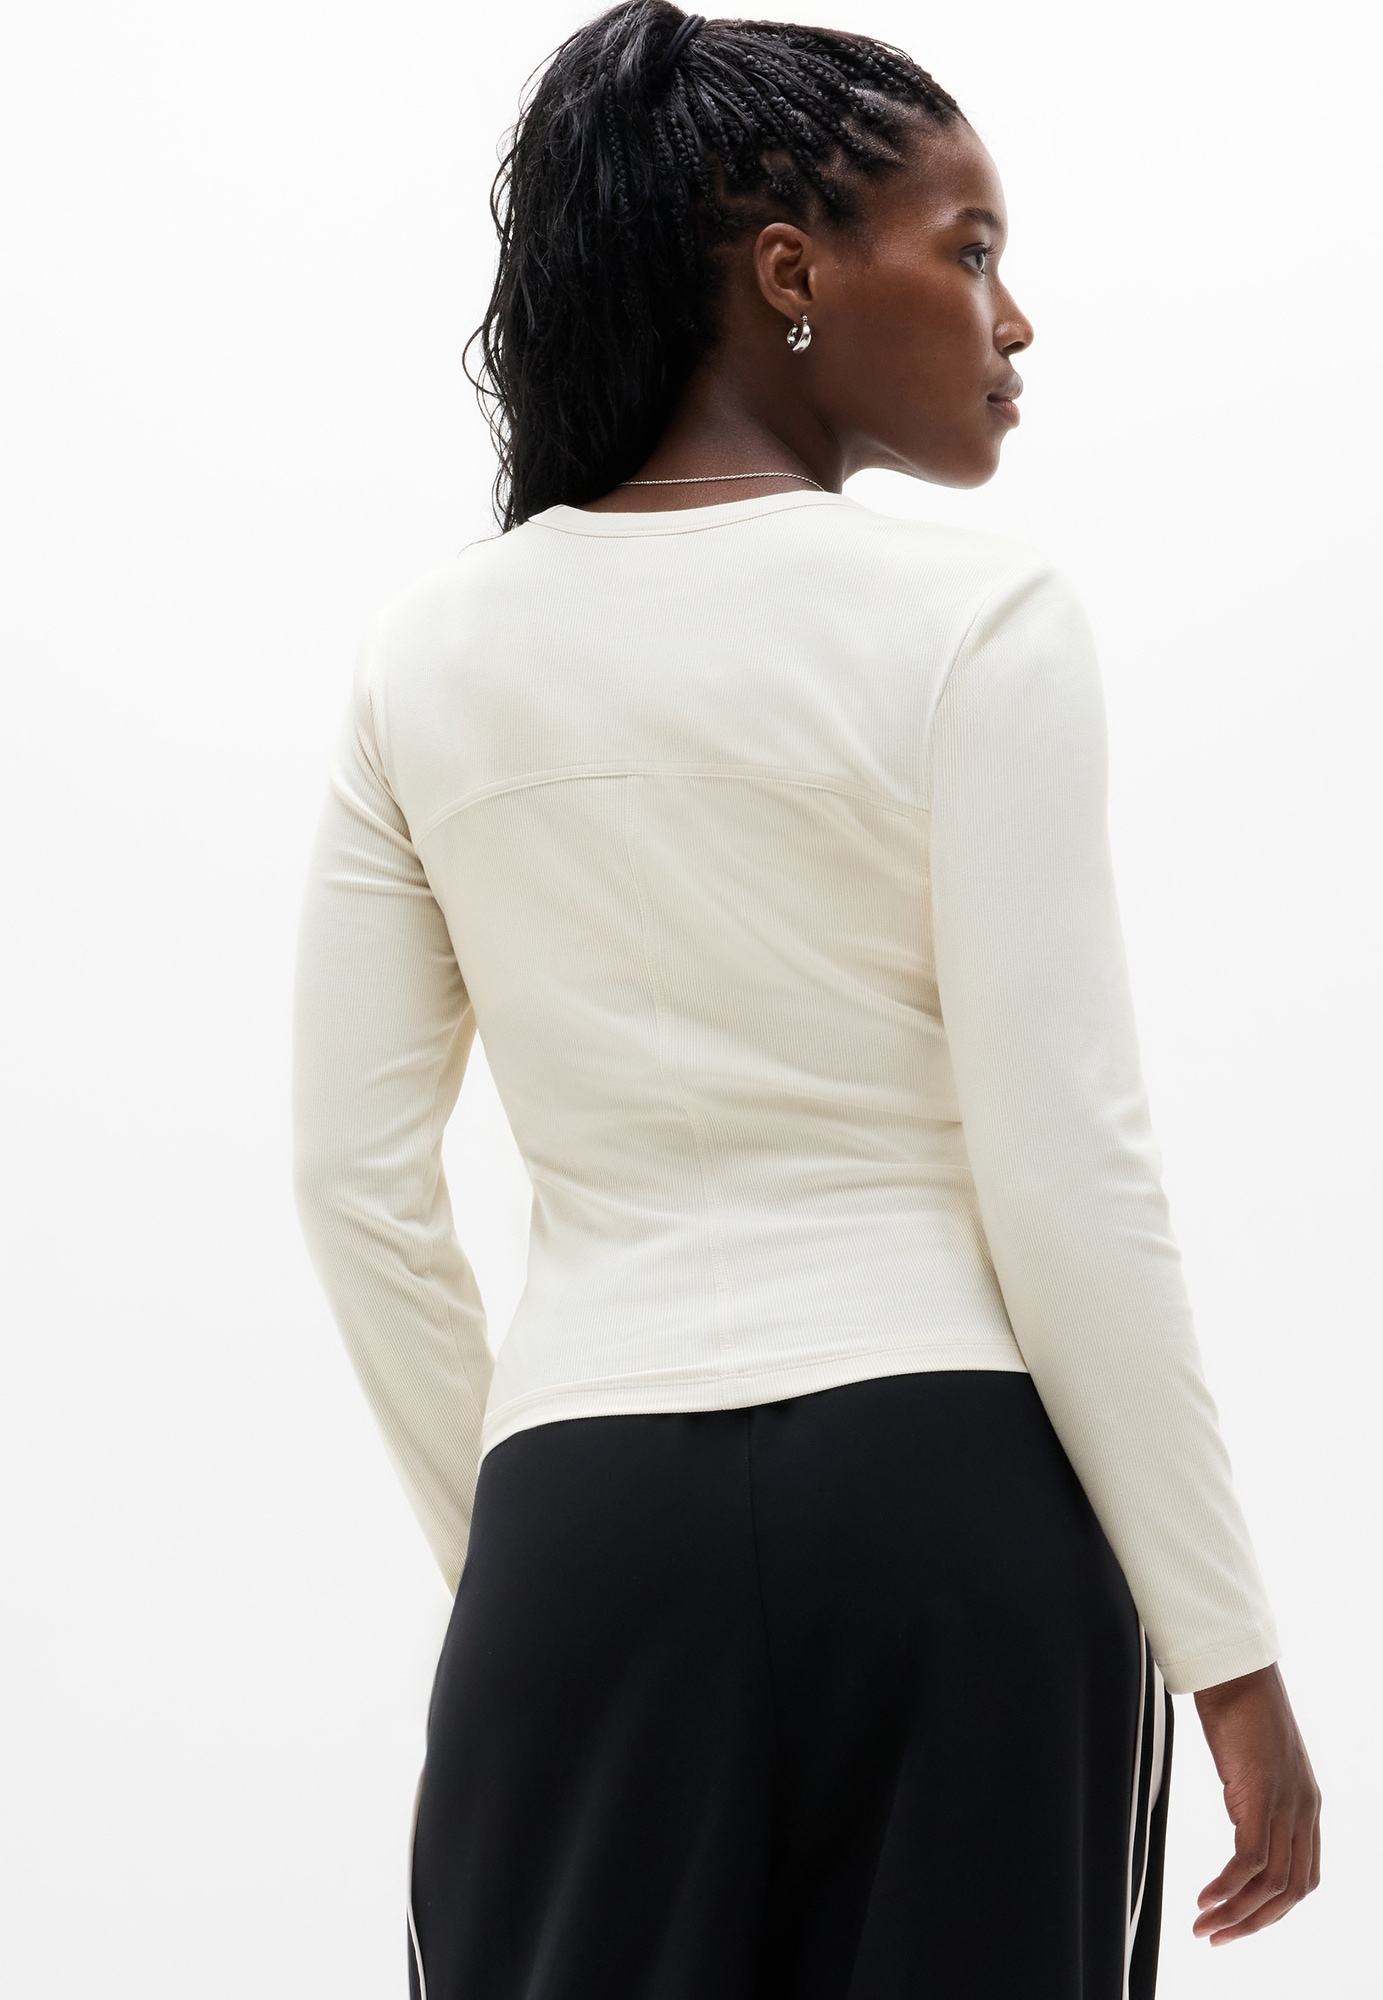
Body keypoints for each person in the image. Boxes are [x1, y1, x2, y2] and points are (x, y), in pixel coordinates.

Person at [292, 6, 1321, 1996]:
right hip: (959, 1517)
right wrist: (1232, 1654)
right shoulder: (981, 625)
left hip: (586, 1514)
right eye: (969, 249)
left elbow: (352, 1183)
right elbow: (1067, 1170)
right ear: (790, 273)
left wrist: (525, 1543)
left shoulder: (426, 658)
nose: (1014, 319)